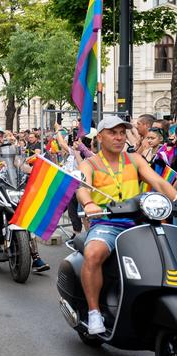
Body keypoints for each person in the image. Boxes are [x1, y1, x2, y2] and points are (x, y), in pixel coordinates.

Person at [77, 116, 177, 334]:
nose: (119, 137)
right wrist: (89, 202)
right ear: (100, 136)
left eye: (122, 132)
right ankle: (94, 313)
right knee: (93, 253)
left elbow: (159, 182)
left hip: (139, 221)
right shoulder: (89, 163)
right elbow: (81, 186)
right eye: (113, 133)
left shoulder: (135, 159)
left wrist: (175, 198)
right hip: (107, 223)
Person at [0, 126, 49, 271]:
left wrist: (35, 171)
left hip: (10, 189)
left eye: (1, 136)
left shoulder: (9, 155)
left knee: (25, 217)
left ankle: (36, 257)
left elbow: (22, 166)